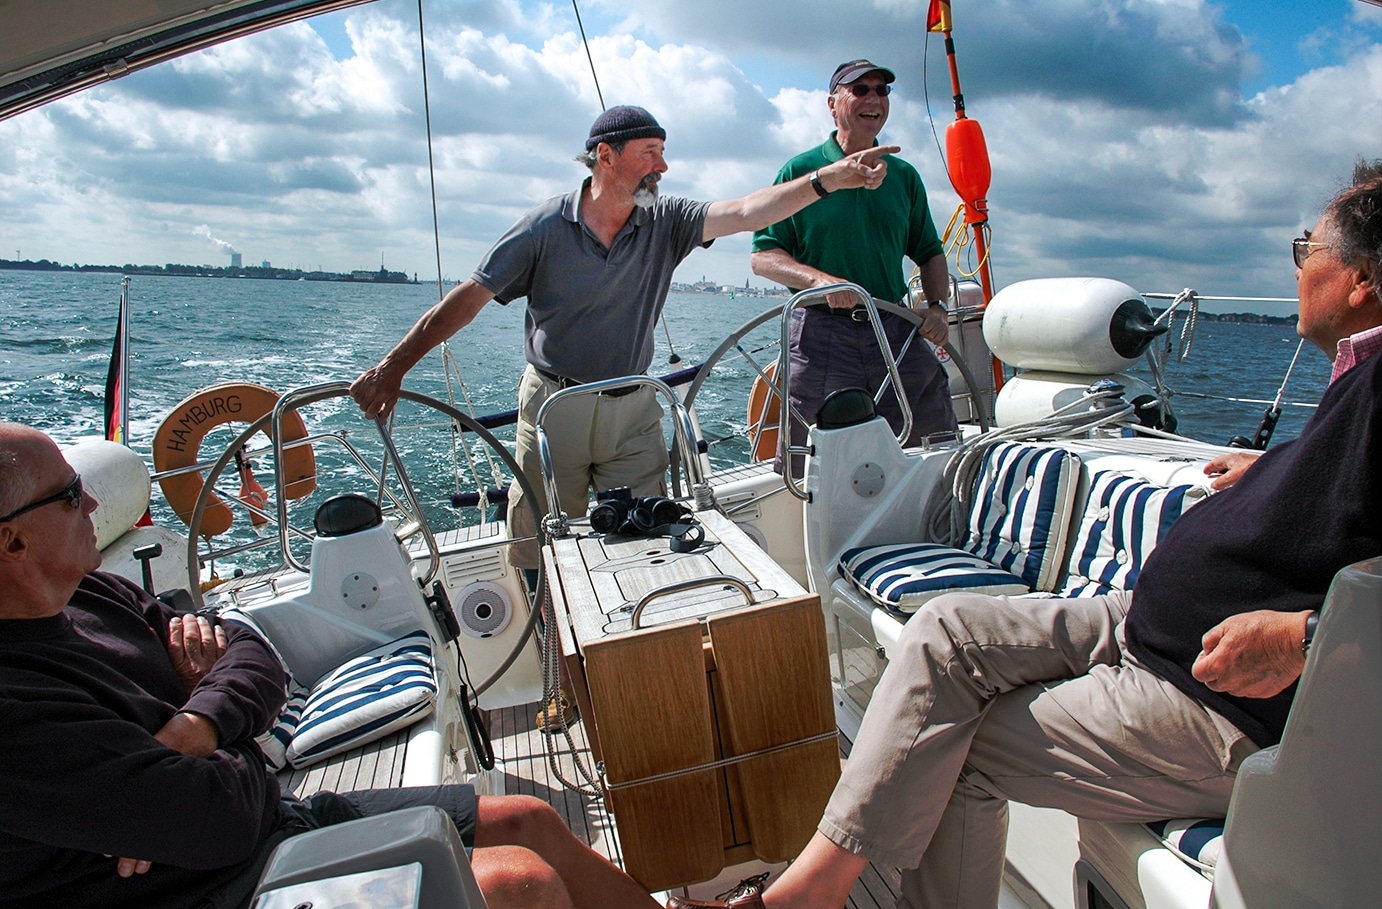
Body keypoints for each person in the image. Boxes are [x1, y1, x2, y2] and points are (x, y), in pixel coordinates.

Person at [670, 162, 1382, 909]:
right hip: (1142, 621)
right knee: (946, 629)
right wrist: (1279, 465)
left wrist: (1301, 637)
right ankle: (813, 891)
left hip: (1218, 698)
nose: (1298, 263)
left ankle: (799, 898)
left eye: (1309, 247)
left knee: (943, 748)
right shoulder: (1356, 375)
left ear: (1361, 279)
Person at [0, 423, 662, 909]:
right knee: (522, 884)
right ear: (13, 538)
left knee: (531, 820)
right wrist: (221, 744)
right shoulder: (16, 705)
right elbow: (225, 815)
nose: (91, 506)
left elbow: (257, 657)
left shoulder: (97, 593)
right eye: (69, 496)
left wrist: (200, 723)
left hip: (270, 825)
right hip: (217, 889)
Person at [352, 105, 898, 571]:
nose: (662, 167)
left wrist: (827, 180)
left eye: (663, 153)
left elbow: (745, 211)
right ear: (604, 157)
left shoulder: (667, 220)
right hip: (553, 408)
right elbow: (465, 302)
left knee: (650, 538)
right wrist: (394, 368)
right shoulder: (543, 228)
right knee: (538, 544)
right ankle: (553, 666)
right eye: (649, 153)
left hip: (634, 411)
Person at [751, 59, 958, 473]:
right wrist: (819, 281)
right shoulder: (800, 172)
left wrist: (937, 307)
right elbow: (764, 256)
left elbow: (930, 252)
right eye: (859, 89)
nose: (873, 98)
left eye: (881, 90)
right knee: (811, 463)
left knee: (936, 443)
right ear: (833, 103)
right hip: (822, 332)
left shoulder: (905, 178)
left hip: (894, 327)